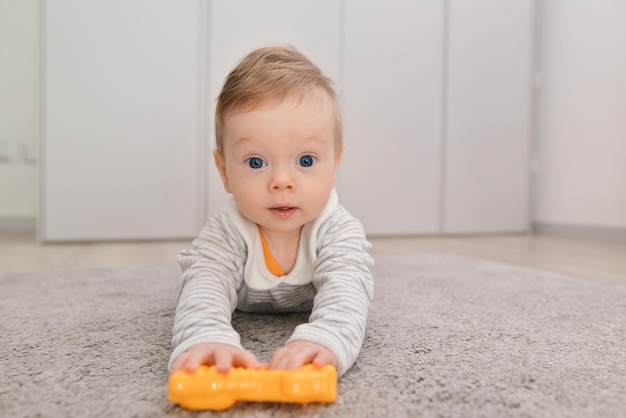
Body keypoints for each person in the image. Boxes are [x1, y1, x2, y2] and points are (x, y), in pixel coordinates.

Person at [169, 45, 374, 378]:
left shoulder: (338, 229)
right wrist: (206, 337)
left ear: (334, 164)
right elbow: (203, 285)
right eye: (256, 162)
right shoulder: (227, 231)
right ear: (224, 171)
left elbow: (347, 289)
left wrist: (327, 340)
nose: (281, 181)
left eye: (305, 161)